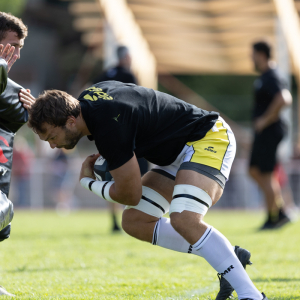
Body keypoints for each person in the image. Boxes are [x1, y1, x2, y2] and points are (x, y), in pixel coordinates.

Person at [28, 82, 268, 300]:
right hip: (178, 151)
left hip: (207, 137)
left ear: (70, 122)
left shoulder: (107, 125)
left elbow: (129, 194)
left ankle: (253, 296)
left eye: (52, 136)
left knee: (184, 218)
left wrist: (88, 182)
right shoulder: (86, 102)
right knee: (135, 220)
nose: (52, 144)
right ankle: (227, 256)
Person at [93, 45, 148, 232]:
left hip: (108, 134)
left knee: (111, 177)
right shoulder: (128, 75)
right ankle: (136, 216)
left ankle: (114, 220)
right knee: (139, 176)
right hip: (129, 132)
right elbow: (137, 100)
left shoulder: (103, 75)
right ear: (126, 57)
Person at [0, 12, 35, 296]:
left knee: (2, 217)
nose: (18, 54)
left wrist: (36, 111)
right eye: (14, 45)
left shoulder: (15, 90)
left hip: (2, 167)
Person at [249, 41, 292, 230]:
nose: (250, 58)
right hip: (264, 132)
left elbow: (284, 98)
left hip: (270, 130)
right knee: (255, 170)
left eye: (252, 54)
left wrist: (265, 120)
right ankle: (280, 211)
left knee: (265, 173)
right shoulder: (264, 76)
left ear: (261, 54)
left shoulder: (272, 75)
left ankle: (272, 217)